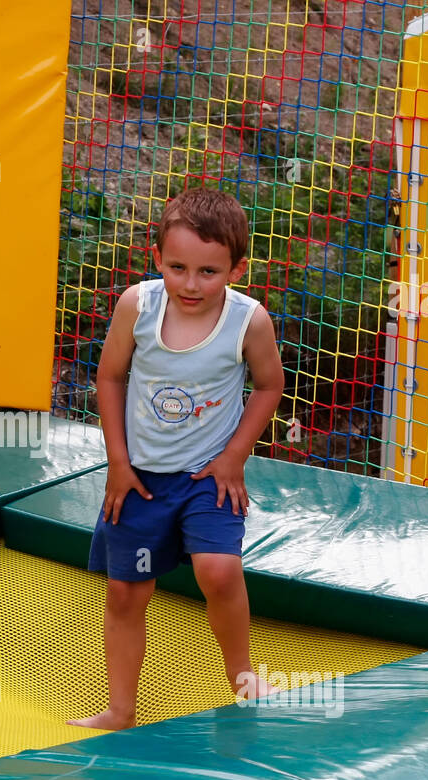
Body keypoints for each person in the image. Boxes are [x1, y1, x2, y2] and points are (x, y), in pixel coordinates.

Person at [68, 186, 285, 731]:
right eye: (179, 268)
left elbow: (268, 386)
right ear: (158, 257)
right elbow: (111, 376)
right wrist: (117, 462)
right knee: (125, 590)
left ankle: (244, 679)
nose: (191, 285)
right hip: (140, 479)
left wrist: (234, 457)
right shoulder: (137, 306)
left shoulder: (248, 321)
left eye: (209, 272)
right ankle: (120, 709)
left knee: (218, 570)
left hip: (206, 477)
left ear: (236, 269)